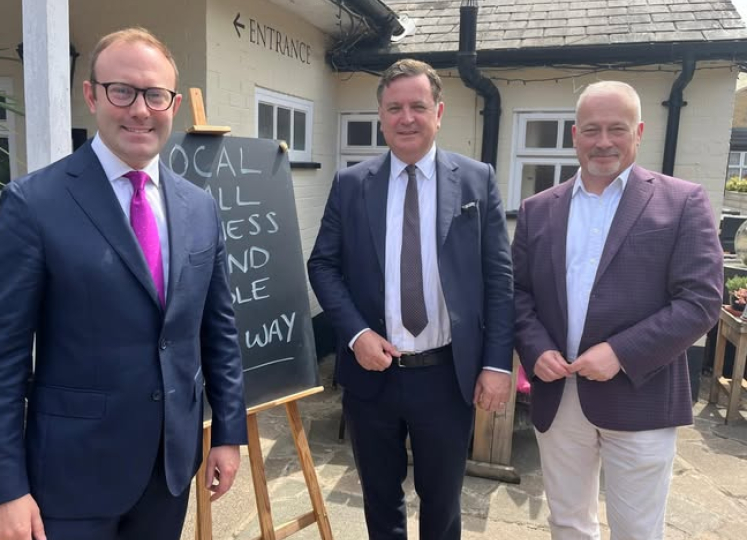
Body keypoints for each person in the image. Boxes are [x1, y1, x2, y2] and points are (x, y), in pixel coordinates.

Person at [0, 27, 248, 540]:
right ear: (92, 94)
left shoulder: (200, 207)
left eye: (155, 95)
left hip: (169, 473)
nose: (140, 109)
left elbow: (218, 331)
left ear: (174, 104)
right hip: (71, 479)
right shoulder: (34, 204)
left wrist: (229, 434)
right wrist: (4, 488)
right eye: (122, 91)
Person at [307, 59, 514, 539]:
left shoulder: (476, 180)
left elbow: (499, 277)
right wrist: (356, 333)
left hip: (446, 376)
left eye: (418, 106)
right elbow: (322, 265)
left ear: (438, 112)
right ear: (380, 116)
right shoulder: (351, 184)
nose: (406, 118)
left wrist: (498, 364)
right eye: (394, 107)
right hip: (372, 377)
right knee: (379, 501)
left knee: (442, 506)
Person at [512, 80, 723, 540]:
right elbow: (518, 293)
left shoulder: (682, 201)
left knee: (637, 531)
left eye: (616, 129)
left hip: (641, 394)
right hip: (559, 394)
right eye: (591, 129)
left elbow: (701, 300)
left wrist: (621, 353)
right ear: (574, 135)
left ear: (639, 132)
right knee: (568, 523)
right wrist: (535, 346)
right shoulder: (536, 209)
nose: (603, 141)